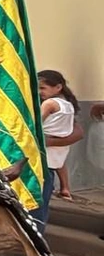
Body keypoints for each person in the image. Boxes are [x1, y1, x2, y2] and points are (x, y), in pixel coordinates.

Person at [37, 70, 84, 212]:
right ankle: (65, 188)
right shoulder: (68, 105)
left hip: (42, 157)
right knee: (43, 203)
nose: (39, 92)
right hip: (55, 156)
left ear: (58, 87)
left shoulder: (49, 104)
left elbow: (36, 124)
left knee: (38, 203)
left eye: (42, 88)